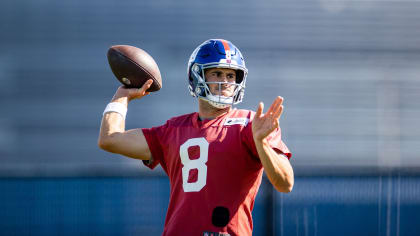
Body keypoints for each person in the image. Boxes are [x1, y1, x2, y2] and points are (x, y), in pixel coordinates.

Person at [98, 39, 294, 236]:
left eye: (230, 75)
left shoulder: (251, 124)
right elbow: (110, 139)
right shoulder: (173, 129)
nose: (225, 81)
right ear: (197, 76)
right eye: (216, 73)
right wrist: (121, 97)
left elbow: (285, 183)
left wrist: (261, 143)